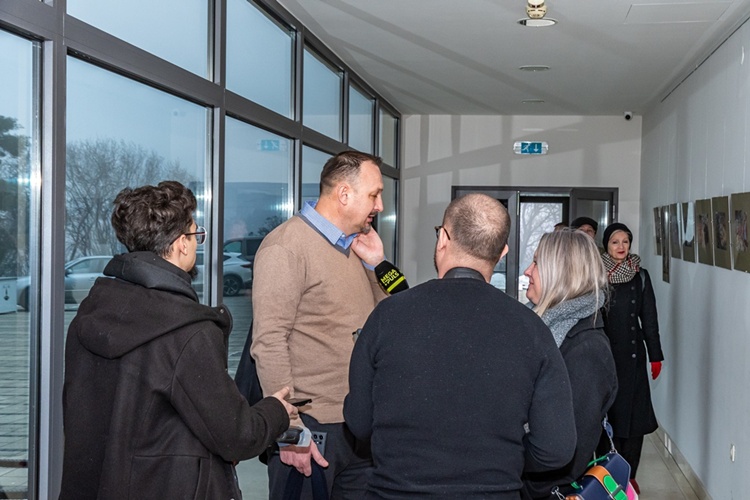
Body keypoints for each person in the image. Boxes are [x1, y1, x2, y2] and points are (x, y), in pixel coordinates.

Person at [60, 181, 295, 499]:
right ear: (182, 243)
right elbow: (236, 435)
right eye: (197, 234)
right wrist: (277, 410)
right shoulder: (188, 331)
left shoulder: (89, 314)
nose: (197, 243)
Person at [344, 193, 577, 498]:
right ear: (503, 252)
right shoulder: (532, 330)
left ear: (443, 238)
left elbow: (360, 422)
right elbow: (556, 448)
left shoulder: (387, 317)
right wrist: (503, 461)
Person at [250, 151, 406, 498]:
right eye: (374, 194)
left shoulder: (357, 247)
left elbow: (395, 314)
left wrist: (378, 264)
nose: (380, 206)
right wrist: (289, 432)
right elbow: (269, 342)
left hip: (359, 426)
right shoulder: (286, 247)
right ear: (344, 194)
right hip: (311, 430)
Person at [520, 229, 618, 500]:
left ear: (561, 274)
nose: (528, 271)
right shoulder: (540, 327)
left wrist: (523, 489)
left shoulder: (587, 351)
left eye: (536, 263)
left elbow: (570, 453)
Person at [599, 222, 664, 494]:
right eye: (615, 242)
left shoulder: (641, 275)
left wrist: (655, 355)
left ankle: (630, 475)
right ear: (606, 245)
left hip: (634, 357)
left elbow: (649, 318)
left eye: (625, 241)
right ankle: (606, 474)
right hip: (606, 356)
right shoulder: (596, 275)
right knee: (608, 419)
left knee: (635, 421)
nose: (621, 247)